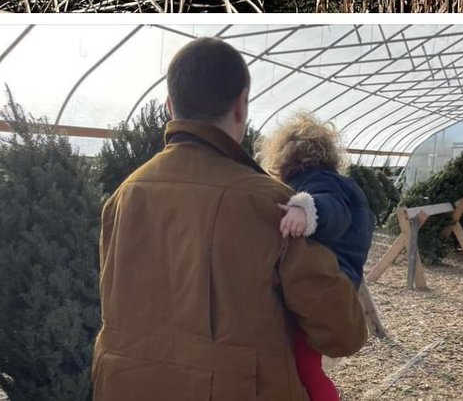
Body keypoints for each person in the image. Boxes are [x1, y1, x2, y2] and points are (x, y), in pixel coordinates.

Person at [93, 37, 367, 401]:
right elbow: (341, 332)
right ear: (241, 106)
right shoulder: (269, 203)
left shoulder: (124, 196)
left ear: (170, 107)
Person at [260, 113, 377, 401]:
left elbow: (332, 208)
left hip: (327, 285)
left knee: (306, 366)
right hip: (340, 284)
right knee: (307, 364)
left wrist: (305, 209)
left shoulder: (320, 183)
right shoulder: (336, 181)